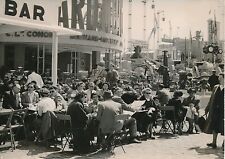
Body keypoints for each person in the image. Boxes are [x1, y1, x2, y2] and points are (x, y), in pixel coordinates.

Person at [204, 73, 224, 149]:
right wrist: (208, 107)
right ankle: (214, 142)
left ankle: (224, 143)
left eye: (221, 77)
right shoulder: (216, 87)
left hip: (223, 111)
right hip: (216, 110)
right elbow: (211, 99)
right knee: (214, 126)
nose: (219, 79)